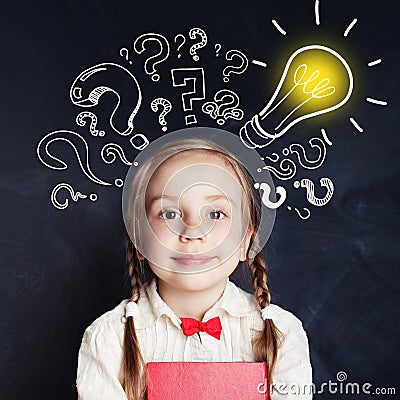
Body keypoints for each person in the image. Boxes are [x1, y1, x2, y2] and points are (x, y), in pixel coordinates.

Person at [76, 135, 313, 400]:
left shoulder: (283, 333)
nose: (193, 230)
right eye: (169, 214)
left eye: (215, 214)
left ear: (246, 240)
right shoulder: (108, 338)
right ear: (139, 237)